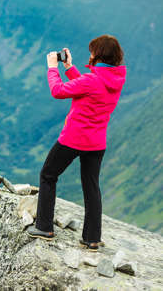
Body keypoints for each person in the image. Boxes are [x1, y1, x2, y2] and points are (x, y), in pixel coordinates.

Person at [26, 35, 127, 252]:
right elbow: (89, 89)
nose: (89, 55)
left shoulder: (92, 80)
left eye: (92, 52)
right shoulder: (115, 79)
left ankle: (44, 227)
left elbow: (58, 91)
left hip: (73, 138)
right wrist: (70, 67)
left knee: (48, 175)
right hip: (97, 143)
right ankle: (92, 239)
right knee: (91, 188)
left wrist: (53, 68)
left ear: (98, 55)